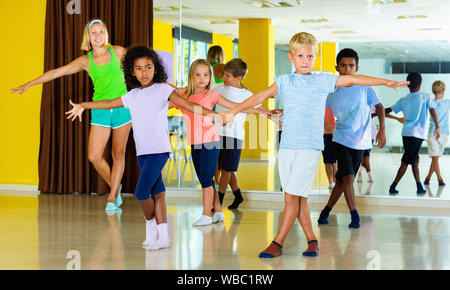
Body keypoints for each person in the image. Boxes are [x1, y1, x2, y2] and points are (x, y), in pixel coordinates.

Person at [217, 32, 408, 258]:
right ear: (291, 57)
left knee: (291, 199)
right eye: (300, 56)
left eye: (310, 56)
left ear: (315, 57)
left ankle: (277, 243)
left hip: (309, 147)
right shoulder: (284, 81)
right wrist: (233, 111)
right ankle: (312, 241)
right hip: (287, 145)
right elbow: (258, 97)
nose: (305, 61)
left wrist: (386, 82)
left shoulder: (322, 80)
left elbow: (354, 79)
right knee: (297, 198)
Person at [66, 46, 217, 250]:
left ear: (156, 69)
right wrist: (84, 105)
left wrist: (212, 114)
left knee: (141, 193)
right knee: (158, 193)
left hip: (159, 151)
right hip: (143, 153)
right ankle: (162, 237)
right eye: (138, 69)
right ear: (132, 72)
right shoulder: (133, 95)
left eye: (148, 67)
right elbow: (109, 102)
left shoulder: (163, 89)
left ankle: (152, 226)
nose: (144, 72)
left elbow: (188, 105)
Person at [11, 19, 130, 211]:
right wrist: (30, 84)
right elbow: (57, 72)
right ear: (88, 37)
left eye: (101, 32)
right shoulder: (85, 61)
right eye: (94, 33)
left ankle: (112, 196)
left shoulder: (118, 51)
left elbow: (142, 63)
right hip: (99, 108)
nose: (98, 36)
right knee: (94, 156)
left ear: (106, 34)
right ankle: (116, 186)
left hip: (123, 107)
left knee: (118, 153)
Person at [172, 59, 267, 226]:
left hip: (210, 142)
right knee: (205, 179)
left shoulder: (212, 94)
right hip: (194, 143)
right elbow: (165, 104)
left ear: (210, 77)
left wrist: (262, 112)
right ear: (191, 76)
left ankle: (206, 214)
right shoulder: (184, 95)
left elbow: (238, 106)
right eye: (197, 74)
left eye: (206, 75)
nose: (202, 78)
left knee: (207, 179)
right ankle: (219, 211)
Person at [317, 48, 387, 229]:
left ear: (357, 67)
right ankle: (354, 215)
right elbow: (316, 110)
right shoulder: (332, 91)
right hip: (340, 139)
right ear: (337, 67)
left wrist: (382, 130)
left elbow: (379, 106)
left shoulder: (365, 86)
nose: (347, 69)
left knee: (341, 181)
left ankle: (325, 212)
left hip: (361, 142)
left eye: (351, 66)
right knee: (348, 179)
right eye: (343, 66)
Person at [213, 58, 275, 209]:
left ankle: (218, 202)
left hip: (234, 136)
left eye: (228, 76)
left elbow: (262, 109)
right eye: (224, 75)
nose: (224, 78)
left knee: (227, 170)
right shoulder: (217, 88)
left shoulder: (247, 94)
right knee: (224, 169)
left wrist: (276, 118)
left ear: (238, 78)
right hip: (217, 134)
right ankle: (238, 196)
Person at [385, 72, 440, 195]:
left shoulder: (403, 100)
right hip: (417, 134)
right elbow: (432, 110)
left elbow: (387, 110)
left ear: (407, 85)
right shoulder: (425, 96)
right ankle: (393, 185)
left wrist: (375, 113)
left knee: (415, 160)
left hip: (406, 133)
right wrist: (437, 126)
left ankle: (419, 186)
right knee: (406, 160)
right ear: (419, 85)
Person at [357, 105, 405, 183]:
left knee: (366, 156)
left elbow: (382, 113)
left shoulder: (372, 104)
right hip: (361, 134)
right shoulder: (359, 103)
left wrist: (397, 118)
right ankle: (366, 174)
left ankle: (365, 174)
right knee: (365, 156)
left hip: (370, 134)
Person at [424, 80, 449, 186]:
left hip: (434, 133)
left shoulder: (430, 103)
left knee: (435, 158)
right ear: (443, 91)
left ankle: (427, 178)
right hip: (441, 134)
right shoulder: (447, 102)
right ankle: (440, 179)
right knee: (435, 158)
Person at [323, 108, 338, 189]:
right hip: (325, 134)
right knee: (327, 161)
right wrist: (324, 124)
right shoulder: (321, 102)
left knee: (334, 162)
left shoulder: (335, 101)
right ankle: (331, 183)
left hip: (336, 134)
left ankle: (336, 183)